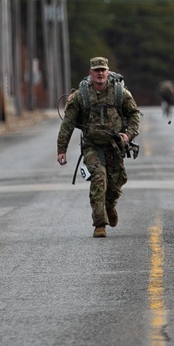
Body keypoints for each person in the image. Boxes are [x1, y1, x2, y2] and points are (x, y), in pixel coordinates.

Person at [56, 56, 141, 238]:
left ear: (107, 72)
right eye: (96, 70)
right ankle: (99, 224)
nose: (100, 73)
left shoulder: (120, 93)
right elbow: (68, 124)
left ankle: (110, 206)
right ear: (91, 73)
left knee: (116, 183)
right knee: (99, 179)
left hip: (115, 146)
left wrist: (129, 135)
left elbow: (134, 114)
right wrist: (61, 150)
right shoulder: (81, 96)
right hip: (92, 146)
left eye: (103, 70)